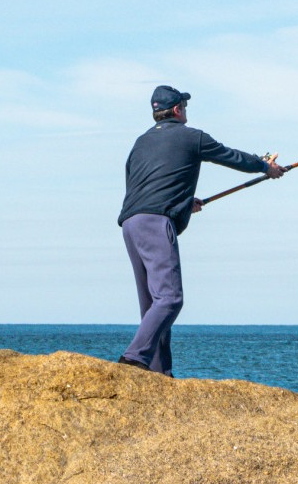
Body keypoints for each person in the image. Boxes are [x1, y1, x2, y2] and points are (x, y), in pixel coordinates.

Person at [116, 85, 284, 376]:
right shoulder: (193, 137)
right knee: (169, 299)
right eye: (185, 107)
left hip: (131, 224)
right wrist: (264, 167)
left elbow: (138, 184)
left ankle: (158, 375)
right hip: (156, 223)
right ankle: (132, 360)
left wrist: (181, 203)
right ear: (179, 110)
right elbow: (231, 157)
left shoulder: (140, 142)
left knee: (152, 307)